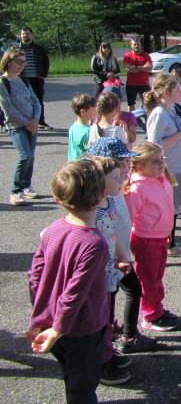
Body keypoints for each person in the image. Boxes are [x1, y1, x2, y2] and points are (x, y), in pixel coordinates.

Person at [27, 159, 108, 403]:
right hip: (82, 328)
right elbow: (75, 293)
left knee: (70, 375)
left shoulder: (52, 229)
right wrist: (58, 329)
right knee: (82, 387)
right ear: (102, 196)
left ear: (57, 199)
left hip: (52, 322)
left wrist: (41, 319)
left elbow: (35, 276)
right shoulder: (94, 244)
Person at [85, 137, 155, 356]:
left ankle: (126, 335)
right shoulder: (98, 202)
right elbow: (103, 234)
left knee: (132, 291)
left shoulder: (115, 193)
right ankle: (110, 349)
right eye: (122, 164)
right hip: (111, 263)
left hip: (122, 257)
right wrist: (119, 257)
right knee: (108, 304)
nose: (127, 168)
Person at [125, 142, 180, 332]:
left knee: (156, 276)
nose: (161, 164)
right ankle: (150, 314)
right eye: (155, 162)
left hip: (159, 237)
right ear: (140, 166)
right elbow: (129, 217)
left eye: (162, 159)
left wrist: (166, 234)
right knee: (148, 278)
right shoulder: (137, 188)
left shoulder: (161, 178)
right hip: (145, 240)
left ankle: (157, 308)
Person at [89, 156, 132, 386]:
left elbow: (113, 233)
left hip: (111, 269)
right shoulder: (92, 210)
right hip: (98, 274)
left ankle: (107, 351)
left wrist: (120, 257)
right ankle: (100, 362)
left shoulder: (112, 201)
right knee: (99, 317)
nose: (121, 179)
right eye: (115, 177)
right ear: (99, 182)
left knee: (107, 313)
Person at [144, 74, 181, 257]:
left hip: (177, 167)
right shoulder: (159, 113)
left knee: (174, 209)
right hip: (168, 169)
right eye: (177, 89)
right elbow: (153, 145)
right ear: (166, 92)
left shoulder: (171, 109)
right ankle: (170, 245)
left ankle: (170, 243)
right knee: (170, 208)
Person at [0, 47, 42, 205]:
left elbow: (36, 102)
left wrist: (35, 120)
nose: (22, 65)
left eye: (24, 62)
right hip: (17, 126)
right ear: (8, 62)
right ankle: (15, 191)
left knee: (31, 156)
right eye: (18, 62)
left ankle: (26, 187)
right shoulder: (3, 82)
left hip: (32, 124)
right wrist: (27, 123)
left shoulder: (24, 80)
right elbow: (8, 109)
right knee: (25, 155)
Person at [18, 27, 51, 128]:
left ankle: (40, 121)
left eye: (27, 33)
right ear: (20, 35)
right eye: (23, 34)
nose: (25, 35)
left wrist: (43, 74)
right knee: (22, 101)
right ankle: (24, 122)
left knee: (38, 101)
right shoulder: (15, 49)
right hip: (21, 80)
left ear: (31, 35)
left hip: (37, 79)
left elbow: (46, 62)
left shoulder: (39, 48)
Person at [122, 37, 152, 112]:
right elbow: (128, 68)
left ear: (141, 45)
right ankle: (132, 121)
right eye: (134, 44)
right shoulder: (127, 56)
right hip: (131, 84)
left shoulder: (146, 55)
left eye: (138, 44)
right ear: (131, 45)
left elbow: (149, 67)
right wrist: (142, 68)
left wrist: (135, 67)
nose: (136, 46)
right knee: (131, 104)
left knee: (148, 104)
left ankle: (148, 121)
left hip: (144, 84)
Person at [67, 94, 96, 161]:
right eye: (93, 110)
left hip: (72, 164)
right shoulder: (87, 132)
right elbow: (92, 153)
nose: (95, 111)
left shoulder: (73, 126)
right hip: (82, 167)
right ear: (83, 112)